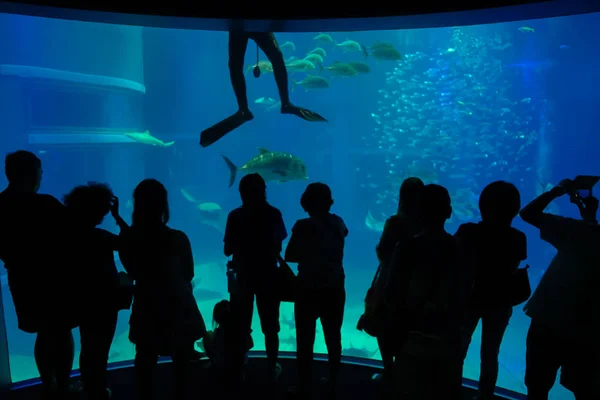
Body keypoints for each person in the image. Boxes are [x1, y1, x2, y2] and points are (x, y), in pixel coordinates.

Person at [0, 150, 79, 400]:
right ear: (32, 173)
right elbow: (73, 235)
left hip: (21, 280)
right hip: (53, 281)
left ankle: (48, 386)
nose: (42, 176)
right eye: (40, 171)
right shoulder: (44, 203)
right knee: (61, 331)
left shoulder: (0, 205)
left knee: (43, 333)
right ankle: (64, 386)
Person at [118, 179, 206, 400]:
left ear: (137, 205)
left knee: (145, 360)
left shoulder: (130, 239)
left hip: (147, 307)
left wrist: (120, 221)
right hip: (178, 307)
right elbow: (188, 274)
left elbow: (133, 270)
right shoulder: (178, 238)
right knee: (182, 363)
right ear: (163, 206)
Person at [520, 178, 600, 400]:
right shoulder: (586, 231)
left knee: (537, 386)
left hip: (549, 319)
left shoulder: (579, 233)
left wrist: (556, 191)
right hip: (588, 329)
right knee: (585, 387)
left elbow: (528, 213)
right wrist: (590, 219)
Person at [385, 184, 466, 400]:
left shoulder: (406, 247)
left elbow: (391, 292)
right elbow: (463, 291)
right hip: (446, 336)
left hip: (410, 333)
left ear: (418, 212)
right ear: (449, 213)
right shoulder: (460, 248)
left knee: (407, 388)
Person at [455, 181, 527, 400]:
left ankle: (449, 389)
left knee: (458, 348)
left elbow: (456, 261)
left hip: (469, 298)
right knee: (490, 353)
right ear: (515, 209)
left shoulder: (467, 232)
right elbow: (512, 267)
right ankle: (485, 395)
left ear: (482, 204)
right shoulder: (517, 238)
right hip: (500, 301)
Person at [200, 32, 327, 148]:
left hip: (242, 22)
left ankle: (245, 109)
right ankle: (281, 104)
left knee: (237, 64)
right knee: (274, 58)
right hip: (252, 22)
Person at [63, 183, 129, 400]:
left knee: (88, 346)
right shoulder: (100, 237)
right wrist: (118, 217)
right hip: (106, 302)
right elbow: (128, 243)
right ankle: (98, 390)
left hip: (82, 301)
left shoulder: (70, 237)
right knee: (100, 350)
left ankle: (91, 386)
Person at [285, 182, 349, 399]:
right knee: (333, 336)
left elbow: (290, 255)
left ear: (306, 202)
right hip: (334, 286)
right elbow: (343, 236)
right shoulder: (339, 222)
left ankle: (304, 386)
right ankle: (334, 382)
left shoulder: (302, 226)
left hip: (308, 288)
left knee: (305, 340)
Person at [223, 173, 287, 385]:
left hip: (243, 277)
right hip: (268, 276)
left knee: (240, 326)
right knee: (271, 326)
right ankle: (271, 366)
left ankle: (239, 368)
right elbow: (279, 245)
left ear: (241, 193)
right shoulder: (274, 214)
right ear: (264, 191)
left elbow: (227, 249)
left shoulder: (235, 216)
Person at [366, 177, 424, 391]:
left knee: (384, 324)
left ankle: (389, 371)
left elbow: (383, 251)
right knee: (410, 327)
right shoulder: (425, 223)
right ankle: (406, 373)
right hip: (418, 283)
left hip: (391, 280)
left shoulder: (395, 222)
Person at [202, 300, 253, 372]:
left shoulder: (218, 333)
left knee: (208, 334)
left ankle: (213, 363)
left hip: (220, 365)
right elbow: (250, 345)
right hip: (239, 364)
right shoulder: (240, 330)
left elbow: (214, 347)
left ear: (216, 318)